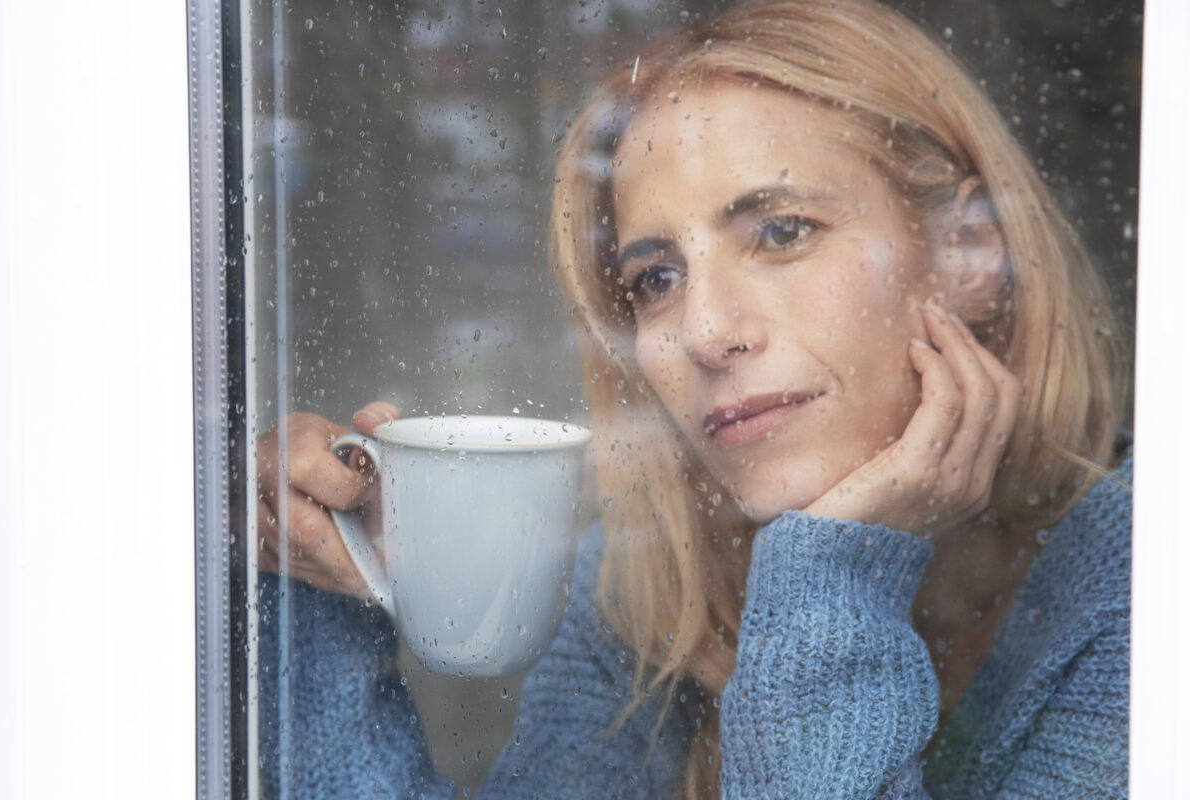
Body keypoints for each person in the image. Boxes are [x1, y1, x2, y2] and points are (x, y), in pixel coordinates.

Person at [255, 0, 1131, 797]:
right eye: (657, 279)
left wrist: (832, 582)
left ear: (970, 251)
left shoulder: (1148, 597)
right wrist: (331, 592)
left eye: (782, 232)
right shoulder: (641, 588)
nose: (706, 332)